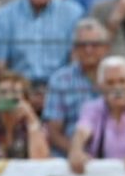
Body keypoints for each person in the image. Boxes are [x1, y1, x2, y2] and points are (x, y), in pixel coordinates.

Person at [68, 55, 125, 173]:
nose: (117, 88)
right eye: (110, 83)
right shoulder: (91, 108)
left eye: (122, 81)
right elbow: (82, 131)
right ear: (100, 86)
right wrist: (76, 151)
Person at [43, 17, 111, 156]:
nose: (88, 50)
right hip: (68, 155)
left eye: (95, 45)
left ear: (106, 48)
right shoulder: (60, 80)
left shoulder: (117, 76)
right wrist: (77, 152)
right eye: (82, 45)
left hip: (114, 155)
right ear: (74, 49)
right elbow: (53, 132)